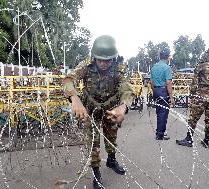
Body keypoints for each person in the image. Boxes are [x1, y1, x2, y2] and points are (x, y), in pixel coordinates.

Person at [62, 35, 135, 189]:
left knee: (111, 137)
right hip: (89, 108)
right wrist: (74, 98)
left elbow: (127, 89)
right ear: (94, 56)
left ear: (114, 59)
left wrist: (123, 107)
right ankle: (96, 171)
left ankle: (111, 159)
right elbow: (69, 79)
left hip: (111, 109)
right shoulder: (86, 65)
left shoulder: (119, 68)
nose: (102, 63)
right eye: (99, 59)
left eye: (107, 60)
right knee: (92, 142)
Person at [176, 47, 209, 148]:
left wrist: (191, 96)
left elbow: (194, 84)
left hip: (200, 98)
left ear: (208, 54)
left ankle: (189, 140)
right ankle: (206, 141)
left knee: (193, 118)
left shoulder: (200, 66)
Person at [150, 48, 174, 140]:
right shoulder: (167, 67)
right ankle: (160, 134)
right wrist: (171, 97)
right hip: (163, 91)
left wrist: (155, 91)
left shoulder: (154, 67)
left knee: (159, 112)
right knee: (163, 113)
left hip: (156, 91)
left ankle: (160, 132)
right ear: (168, 57)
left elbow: (151, 82)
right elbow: (168, 82)